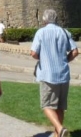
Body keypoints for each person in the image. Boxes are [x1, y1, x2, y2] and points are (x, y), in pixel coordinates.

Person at [30, 9, 78, 137]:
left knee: (46, 105)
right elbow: (74, 52)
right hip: (63, 73)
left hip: (48, 74)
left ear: (44, 20)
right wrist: (65, 60)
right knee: (60, 107)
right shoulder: (64, 32)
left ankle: (59, 128)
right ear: (56, 19)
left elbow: (34, 53)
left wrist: (43, 58)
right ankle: (58, 134)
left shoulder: (41, 33)